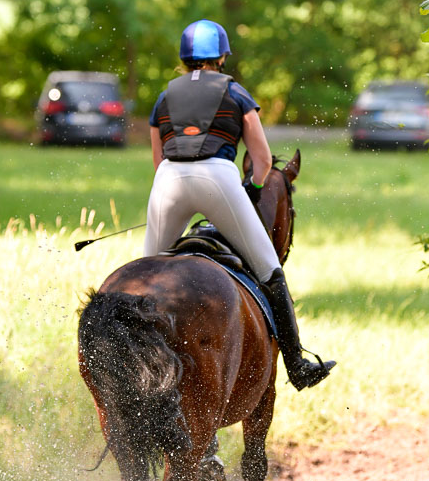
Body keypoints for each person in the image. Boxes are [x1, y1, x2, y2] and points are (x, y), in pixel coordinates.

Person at [143, 19, 335, 391]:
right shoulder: (236, 93)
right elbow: (261, 159)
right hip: (219, 177)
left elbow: (157, 160)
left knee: (147, 275)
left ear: (185, 60)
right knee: (269, 270)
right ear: (222, 56)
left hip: (168, 180)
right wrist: (253, 188)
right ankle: (297, 365)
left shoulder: (163, 98)